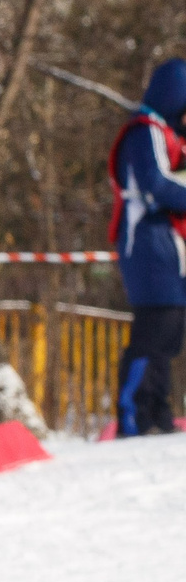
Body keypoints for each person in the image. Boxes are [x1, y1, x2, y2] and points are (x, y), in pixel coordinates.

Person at [109, 58, 186, 436]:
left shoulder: (167, 134)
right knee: (156, 324)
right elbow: (155, 184)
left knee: (170, 327)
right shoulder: (146, 130)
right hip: (145, 241)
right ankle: (134, 412)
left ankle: (158, 409)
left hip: (165, 242)